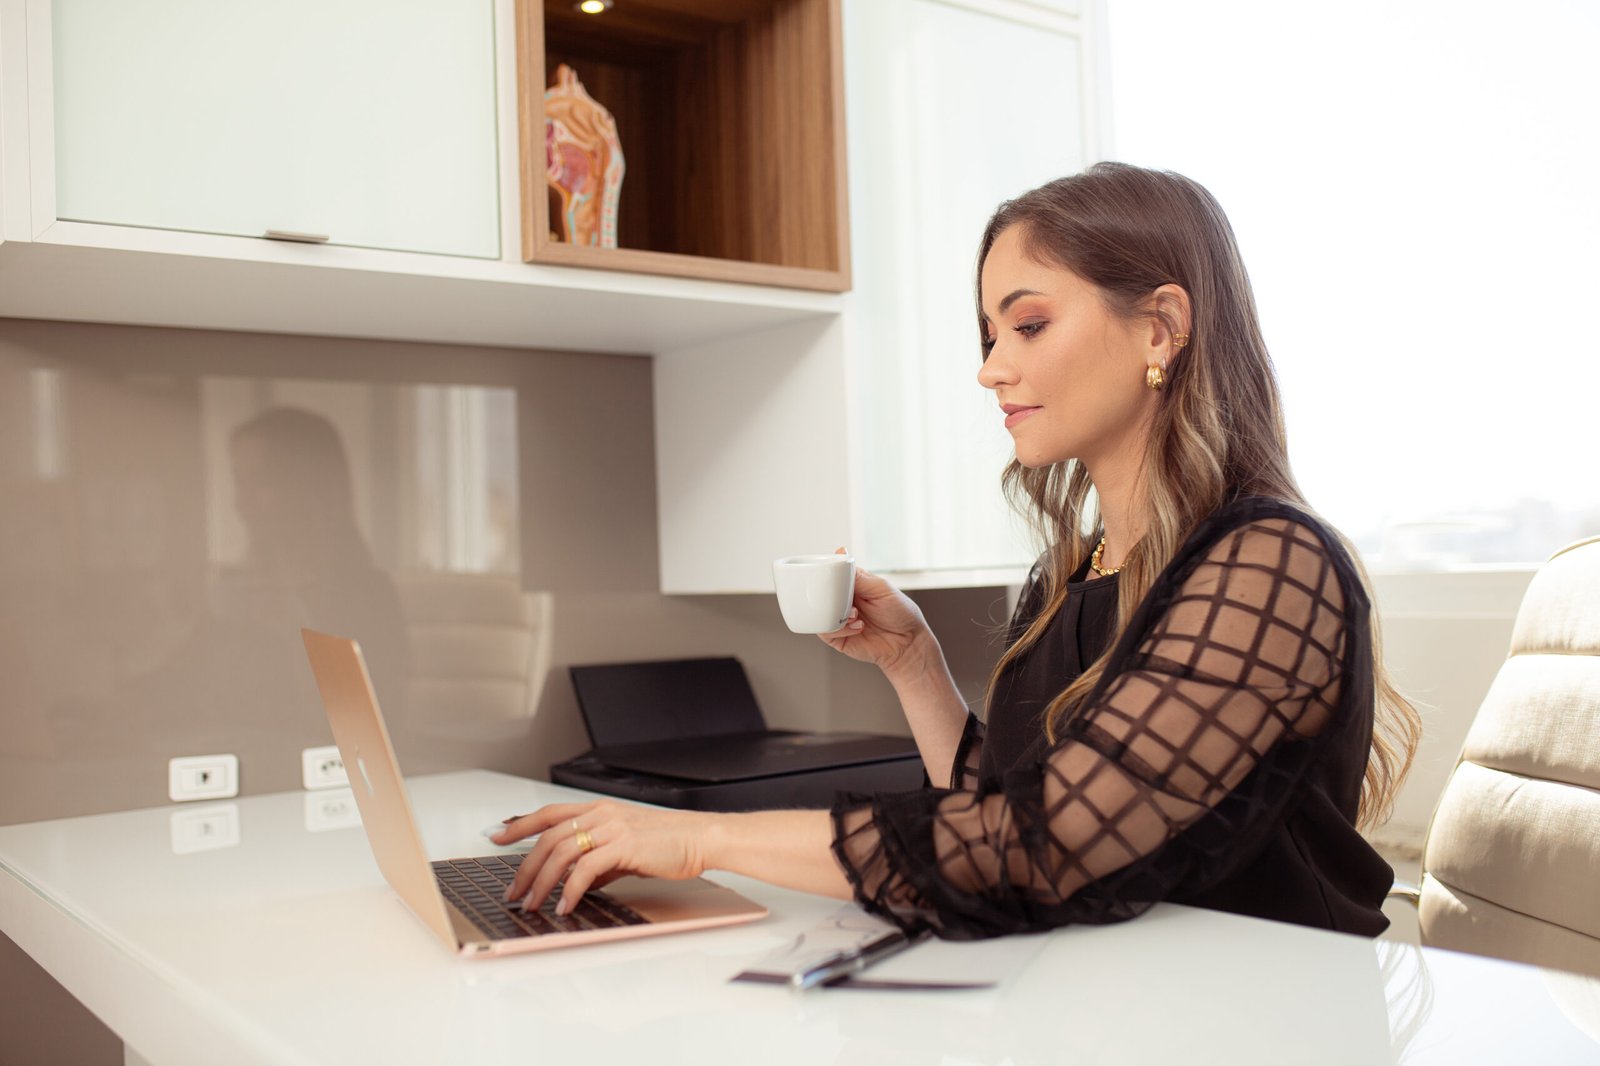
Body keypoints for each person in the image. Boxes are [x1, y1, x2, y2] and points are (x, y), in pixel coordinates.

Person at [495, 162, 1421, 938]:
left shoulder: (1271, 565)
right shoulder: (1073, 571)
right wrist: (915, 665)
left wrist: (703, 841)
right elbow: (1004, 804)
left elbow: (1046, 846)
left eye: (1028, 325)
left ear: (1160, 328)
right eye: (988, 335)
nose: (990, 368)